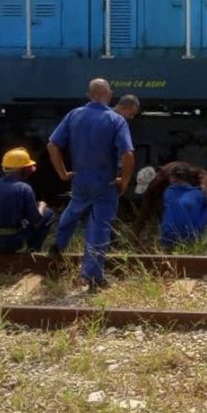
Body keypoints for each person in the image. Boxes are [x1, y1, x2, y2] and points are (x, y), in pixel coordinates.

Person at [47, 78, 135, 291]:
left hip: (80, 179)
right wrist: (124, 181)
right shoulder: (116, 120)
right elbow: (128, 154)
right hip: (104, 182)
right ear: (110, 95)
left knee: (73, 211)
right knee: (100, 226)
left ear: (89, 95)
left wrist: (62, 173)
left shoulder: (74, 115)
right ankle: (92, 275)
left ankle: (57, 247)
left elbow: (52, 145)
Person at [0, 147, 55, 255]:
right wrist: (42, 205)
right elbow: (36, 221)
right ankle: (33, 250)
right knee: (48, 213)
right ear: (23, 170)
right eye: (28, 168)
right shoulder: (24, 188)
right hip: (10, 243)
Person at [131, 162, 207, 245]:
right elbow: (144, 211)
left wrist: (203, 185)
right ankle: (174, 239)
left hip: (190, 190)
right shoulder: (156, 186)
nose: (147, 190)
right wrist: (136, 234)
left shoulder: (175, 171)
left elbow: (202, 173)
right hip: (172, 194)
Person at [159, 164, 207, 251]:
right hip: (194, 238)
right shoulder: (199, 194)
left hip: (169, 238)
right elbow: (206, 214)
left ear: (173, 178)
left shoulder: (168, 192)